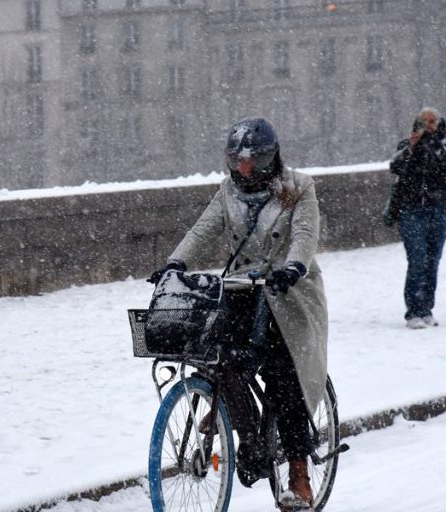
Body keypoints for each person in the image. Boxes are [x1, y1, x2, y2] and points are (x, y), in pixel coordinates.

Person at [148, 117, 328, 509]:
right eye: (237, 160)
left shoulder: (298, 189)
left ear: (269, 157)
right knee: (218, 355)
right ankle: (231, 414)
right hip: (243, 287)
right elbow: (203, 230)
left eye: (252, 160)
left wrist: (294, 266)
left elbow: (304, 236)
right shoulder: (228, 192)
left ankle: (298, 472)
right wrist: (175, 263)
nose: (244, 168)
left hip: (287, 293)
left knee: (283, 375)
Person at [389, 107, 446, 329]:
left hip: (438, 209)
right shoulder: (407, 145)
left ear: (439, 123)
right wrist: (413, 145)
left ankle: (426, 309)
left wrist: (436, 144)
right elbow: (395, 166)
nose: (428, 125)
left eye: (432, 121)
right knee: (417, 259)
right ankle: (413, 312)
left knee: (432, 261)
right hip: (411, 210)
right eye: (424, 121)